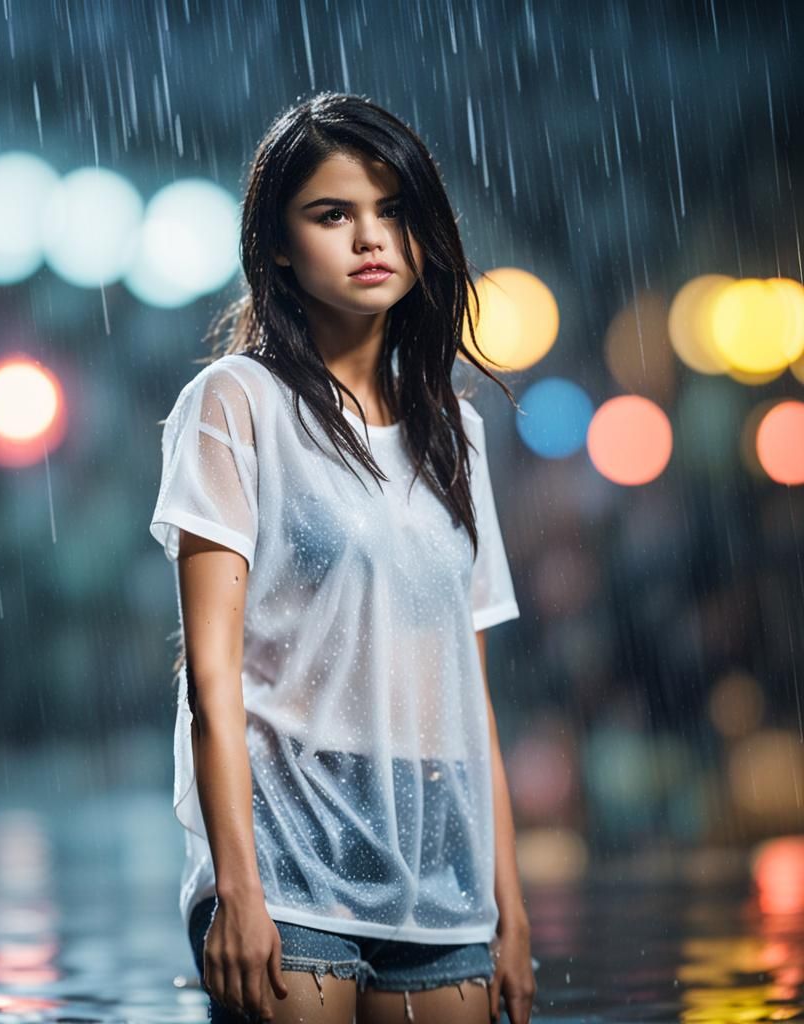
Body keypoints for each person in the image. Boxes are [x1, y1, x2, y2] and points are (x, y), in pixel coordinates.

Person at [149, 92, 537, 1024]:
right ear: (277, 244)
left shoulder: (458, 434)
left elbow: (467, 696)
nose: (372, 238)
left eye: (393, 210)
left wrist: (509, 908)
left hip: (439, 843)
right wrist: (234, 888)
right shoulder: (233, 404)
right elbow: (213, 676)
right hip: (284, 836)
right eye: (333, 213)